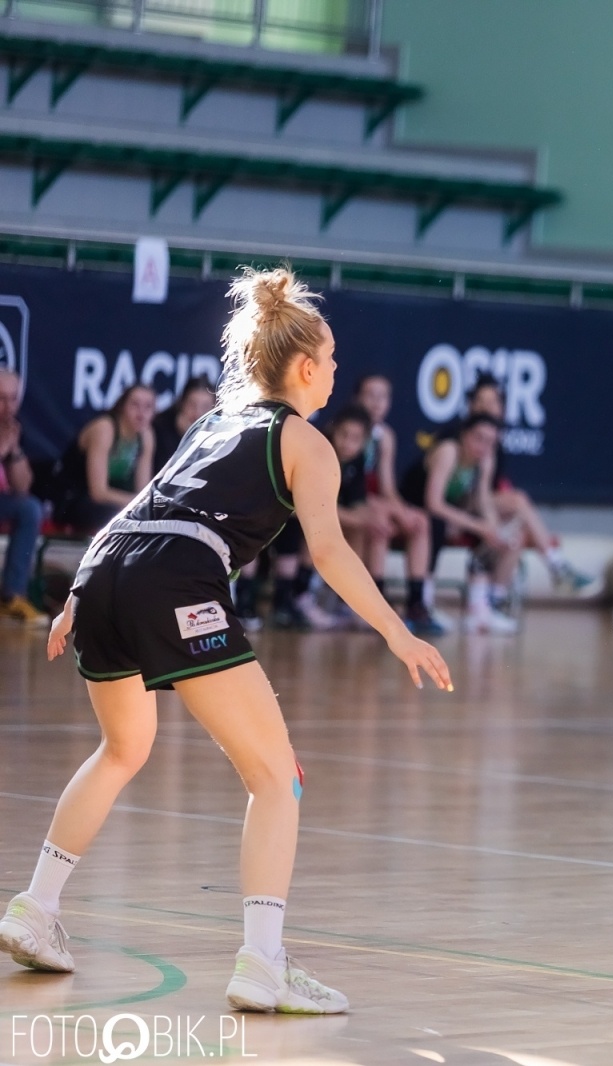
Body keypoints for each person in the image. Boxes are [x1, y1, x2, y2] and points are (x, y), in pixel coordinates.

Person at [0, 268, 453, 1014]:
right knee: (279, 779)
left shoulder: (212, 422)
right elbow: (332, 553)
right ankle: (262, 962)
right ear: (303, 367)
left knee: (122, 749)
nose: (335, 369)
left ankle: (34, 907)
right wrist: (398, 632)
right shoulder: (306, 443)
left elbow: (141, 506)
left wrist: (79, 593)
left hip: (105, 571)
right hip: (175, 583)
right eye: (330, 358)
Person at [449, 378, 594, 596]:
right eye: (481, 400)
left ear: (502, 408)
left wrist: (494, 526)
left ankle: (495, 600)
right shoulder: (454, 441)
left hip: (479, 508)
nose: (486, 406)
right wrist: (488, 525)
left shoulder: (493, 443)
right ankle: (557, 566)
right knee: (518, 501)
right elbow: (458, 495)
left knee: (516, 535)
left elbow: (485, 490)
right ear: (470, 405)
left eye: (492, 401)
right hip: (454, 512)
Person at [323, 405, 444, 635]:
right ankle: (351, 600)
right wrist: (367, 519)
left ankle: (410, 603)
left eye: (355, 439)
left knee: (403, 522)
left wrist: (397, 513)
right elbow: (311, 506)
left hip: (349, 510)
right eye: (344, 435)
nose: (348, 443)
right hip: (304, 518)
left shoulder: (359, 458)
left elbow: (365, 499)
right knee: (367, 524)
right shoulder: (321, 452)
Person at [400, 413, 521, 634]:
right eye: (478, 438)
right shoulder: (448, 451)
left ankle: (479, 607)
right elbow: (433, 503)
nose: (483, 446)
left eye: (490, 442)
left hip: (446, 512)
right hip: (412, 508)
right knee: (434, 524)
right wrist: (477, 525)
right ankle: (423, 604)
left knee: (489, 532)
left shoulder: (485, 459)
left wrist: (492, 528)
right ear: (464, 435)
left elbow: (483, 499)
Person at [351, 374, 449, 634]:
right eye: (370, 395)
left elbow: (388, 488)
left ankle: (417, 603)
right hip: (350, 502)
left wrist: (403, 511)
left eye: (383, 397)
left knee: (420, 521)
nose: (376, 402)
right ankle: (375, 604)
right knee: (380, 523)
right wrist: (386, 509)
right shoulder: (347, 430)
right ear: (357, 399)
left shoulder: (385, 436)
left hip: (374, 502)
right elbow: (347, 487)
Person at [54, 383, 157, 533]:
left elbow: (142, 491)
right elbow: (98, 493)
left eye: (148, 407)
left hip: (113, 501)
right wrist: (138, 502)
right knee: (120, 516)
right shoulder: (105, 428)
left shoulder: (146, 435)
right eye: (135, 405)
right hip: (72, 498)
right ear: (122, 406)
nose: (141, 413)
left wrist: (145, 504)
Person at [0, 368, 47, 626]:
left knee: (30, 508)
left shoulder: (13, 428)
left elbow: (23, 486)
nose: (7, 407)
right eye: (1, 398)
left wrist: (14, 450)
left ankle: (12, 596)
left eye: (13, 398)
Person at [151, 376, 217, 472]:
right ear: (181, 403)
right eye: (192, 405)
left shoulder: (218, 436)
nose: (197, 413)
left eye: (205, 407)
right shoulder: (158, 430)